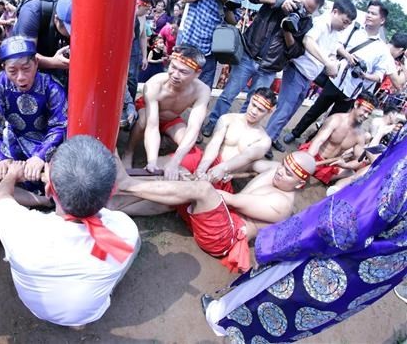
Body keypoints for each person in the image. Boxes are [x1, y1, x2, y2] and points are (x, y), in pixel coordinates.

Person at [204, 123, 407, 343]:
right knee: (302, 314)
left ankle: (219, 316)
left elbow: (345, 220)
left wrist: (276, 241)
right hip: (386, 268)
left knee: (277, 289)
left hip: (340, 249)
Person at [0, 136, 140, 326]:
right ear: (111, 192)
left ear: (47, 189)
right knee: (135, 247)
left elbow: (1, 195)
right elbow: (107, 218)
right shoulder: (125, 231)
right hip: (90, 314)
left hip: (36, 309)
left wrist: (11, 175)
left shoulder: (18, 226)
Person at [111, 151, 315, 273]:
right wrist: (226, 169)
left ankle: (126, 184)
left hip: (223, 238)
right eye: (283, 165)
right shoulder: (279, 172)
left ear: (299, 185)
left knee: (200, 189)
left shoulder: (280, 205)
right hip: (222, 217)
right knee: (180, 190)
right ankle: (117, 207)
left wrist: (197, 181)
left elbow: (231, 200)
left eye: (288, 173)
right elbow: (258, 164)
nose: (280, 172)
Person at [202, 0, 326, 137]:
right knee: (228, 94)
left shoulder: (306, 23)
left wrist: (288, 31)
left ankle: (236, 133)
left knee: (252, 103)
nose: (304, 12)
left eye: (309, 11)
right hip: (248, 55)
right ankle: (213, 123)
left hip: (269, 69)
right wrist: (280, 0)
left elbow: (296, 52)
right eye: (304, 6)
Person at [285, 0, 395, 144]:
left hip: (351, 91)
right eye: (368, 12)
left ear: (382, 20)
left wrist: (366, 75)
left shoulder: (382, 48)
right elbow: (337, 45)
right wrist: (348, 56)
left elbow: (380, 75)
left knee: (333, 120)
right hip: (335, 79)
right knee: (316, 109)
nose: (368, 15)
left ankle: (311, 143)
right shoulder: (353, 29)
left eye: (373, 14)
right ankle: (295, 133)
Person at [265, 0, 357, 156]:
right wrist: (327, 62)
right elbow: (308, 41)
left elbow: (331, 51)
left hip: (308, 77)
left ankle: (272, 137)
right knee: (284, 110)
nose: (346, 26)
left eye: (348, 23)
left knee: (291, 110)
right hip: (297, 71)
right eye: (345, 21)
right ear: (335, 12)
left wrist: (332, 61)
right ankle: (264, 142)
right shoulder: (321, 23)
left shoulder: (334, 33)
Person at [0, 36, 67, 183]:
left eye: (26, 69)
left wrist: (40, 155)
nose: (21, 77)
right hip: (15, 139)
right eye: (13, 71)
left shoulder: (51, 87)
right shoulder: (0, 85)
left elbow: (60, 125)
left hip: (46, 141)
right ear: (4, 68)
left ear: (36, 63)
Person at [121, 46, 210, 180]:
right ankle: (129, 151)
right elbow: (152, 126)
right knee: (144, 119)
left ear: (197, 73)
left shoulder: (202, 91)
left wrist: (175, 162)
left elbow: (194, 128)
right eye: (173, 67)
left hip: (172, 119)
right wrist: (152, 161)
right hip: (148, 113)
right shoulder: (155, 84)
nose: (175, 75)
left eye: (183, 72)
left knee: (190, 145)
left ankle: (166, 155)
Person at [177, 0, 246, 89]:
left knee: (202, 92)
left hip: (212, 51)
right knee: (179, 86)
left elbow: (234, 21)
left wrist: (225, 3)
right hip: (191, 44)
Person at [190, 87, 276, 192]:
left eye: (260, 110)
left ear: (269, 112)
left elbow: (246, 157)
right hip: (211, 161)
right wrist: (202, 167)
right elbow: (214, 144)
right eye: (253, 105)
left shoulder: (264, 140)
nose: (254, 111)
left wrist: (223, 169)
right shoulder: (227, 118)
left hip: (226, 175)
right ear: (250, 100)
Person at [297, 92, 377, 185]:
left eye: (369, 114)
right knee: (299, 164)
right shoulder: (336, 119)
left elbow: (358, 161)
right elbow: (318, 141)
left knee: (351, 174)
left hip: (329, 165)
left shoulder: (360, 136)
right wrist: (308, 162)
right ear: (356, 104)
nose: (366, 116)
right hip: (313, 156)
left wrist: (345, 165)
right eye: (365, 111)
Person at [12, 0, 72, 73]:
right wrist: (53, 62)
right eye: (70, 30)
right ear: (57, 19)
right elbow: (25, 55)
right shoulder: (31, 13)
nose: (72, 35)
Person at [126, 0, 153, 101]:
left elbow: (143, 36)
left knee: (133, 78)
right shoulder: (128, 14)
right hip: (125, 47)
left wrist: (144, 57)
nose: (147, 12)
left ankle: (131, 102)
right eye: (146, 10)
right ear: (139, 5)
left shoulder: (142, 16)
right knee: (127, 77)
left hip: (135, 48)